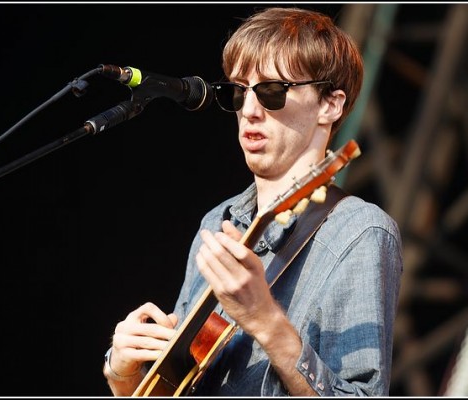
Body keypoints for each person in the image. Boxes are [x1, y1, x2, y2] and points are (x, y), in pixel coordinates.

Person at [102, 6, 403, 397]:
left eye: (272, 91)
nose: (248, 110)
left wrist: (266, 321)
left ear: (330, 104)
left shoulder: (360, 233)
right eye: (239, 91)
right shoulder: (217, 224)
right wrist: (122, 374)